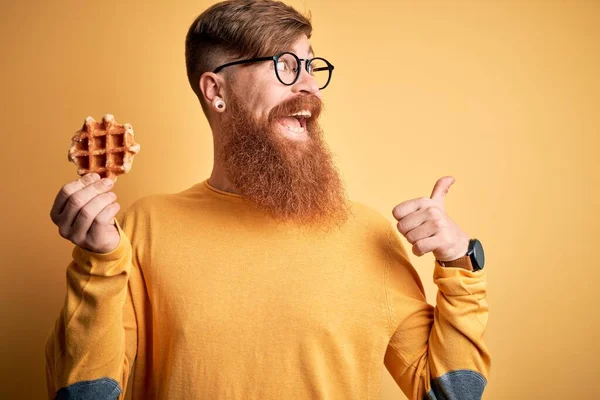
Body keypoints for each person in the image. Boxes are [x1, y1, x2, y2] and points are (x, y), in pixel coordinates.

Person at [44, 1, 491, 399]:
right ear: (216, 91)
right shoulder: (143, 229)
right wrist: (97, 261)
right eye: (284, 65)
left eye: (312, 67)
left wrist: (458, 264)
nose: (310, 89)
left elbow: (452, 394)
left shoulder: (369, 234)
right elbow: (86, 394)